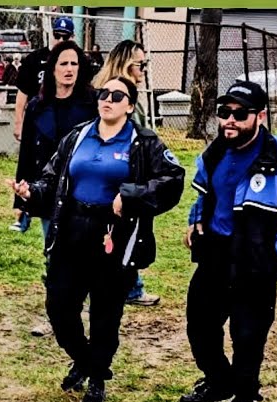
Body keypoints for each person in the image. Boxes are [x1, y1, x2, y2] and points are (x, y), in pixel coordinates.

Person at [11, 76, 184, 402]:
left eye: (117, 96)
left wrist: (131, 195)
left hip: (113, 233)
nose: (107, 99)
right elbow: (52, 178)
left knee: (105, 313)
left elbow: (172, 180)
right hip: (72, 228)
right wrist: (32, 192)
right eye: (104, 93)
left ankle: (97, 379)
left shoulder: (143, 142)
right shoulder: (78, 136)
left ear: (130, 106)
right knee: (59, 307)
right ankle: (84, 359)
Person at [180, 81, 277, 402]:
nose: (230, 121)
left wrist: (270, 261)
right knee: (200, 327)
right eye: (224, 112)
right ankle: (218, 380)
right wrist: (195, 222)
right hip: (215, 255)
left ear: (260, 116)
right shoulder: (215, 153)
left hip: (255, 261)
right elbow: (204, 196)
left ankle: (244, 399)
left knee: (247, 335)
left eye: (240, 114)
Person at [94, 39, 160, 306]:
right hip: (119, 181)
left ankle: (130, 286)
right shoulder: (117, 100)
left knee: (127, 234)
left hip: (128, 181)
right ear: (125, 65)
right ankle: (125, 288)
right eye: (139, 65)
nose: (142, 70)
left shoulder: (118, 97)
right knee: (121, 234)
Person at [11, 41, 97, 236]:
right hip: (49, 189)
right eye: (63, 63)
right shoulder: (36, 106)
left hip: (81, 190)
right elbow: (27, 154)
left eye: (74, 64)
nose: (69, 69)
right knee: (53, 252)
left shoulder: (92, 103)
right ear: (53, 68)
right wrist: (21, 200)